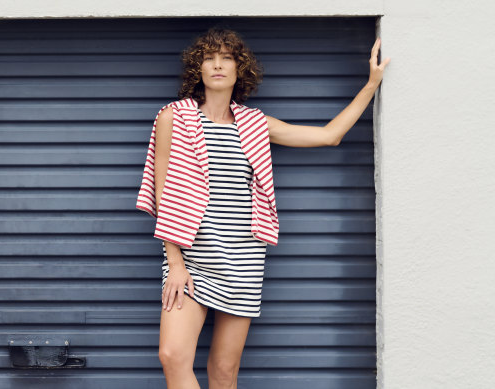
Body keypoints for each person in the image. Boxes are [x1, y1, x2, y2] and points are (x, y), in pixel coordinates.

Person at [139, 26, 389, 389]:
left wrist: (371, 84)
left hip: (242, 258)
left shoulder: (255, 124)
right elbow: (164, 191)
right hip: (191, 259)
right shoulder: (174, 118)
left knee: (224, 372)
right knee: (172, 356)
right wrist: (174, 262)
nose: (218, 65)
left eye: (227, 58)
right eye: (209, 58)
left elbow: (328, 135)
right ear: (199, 69)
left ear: (240, 69)